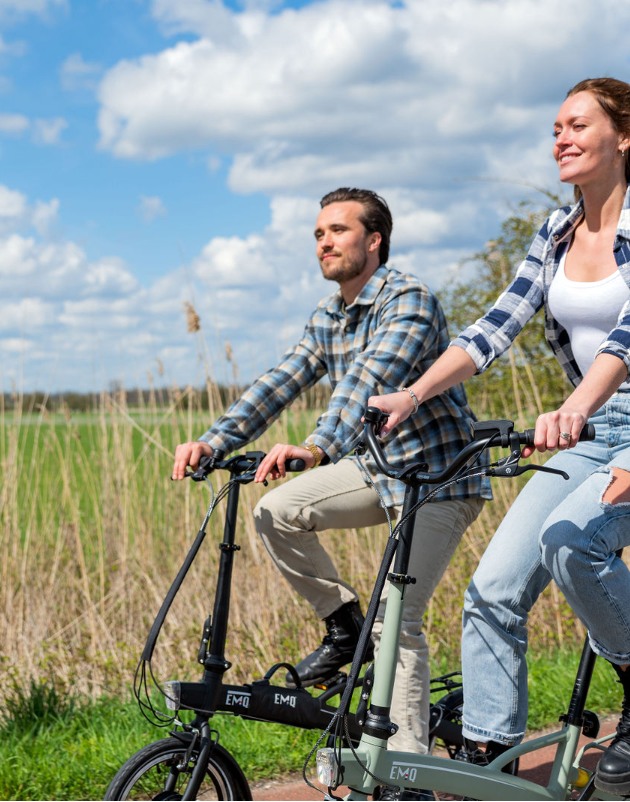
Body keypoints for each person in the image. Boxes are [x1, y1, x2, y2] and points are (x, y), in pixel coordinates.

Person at [368, 78, 630, 793]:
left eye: (577, 123)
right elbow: (494, 326)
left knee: (574, 538)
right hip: (596, 431)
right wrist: (414, 392)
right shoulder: (553, 232)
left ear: (625, 135)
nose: (561, 137)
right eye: (554, 127)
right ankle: (491, 771)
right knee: (491, 589)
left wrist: (575, 404)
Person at [172, 187, 491, 755]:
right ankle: (346, 628)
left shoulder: (408, 299)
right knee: (279, 510)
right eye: (319, 234)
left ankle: (407, 770)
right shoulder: (329, 315)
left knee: (400, 620)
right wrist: (214, 441)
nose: (325, 242)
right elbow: (283, 378)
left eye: (339, 231)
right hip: (377, 470)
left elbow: (368, 381)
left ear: (374, 240)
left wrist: (317, 446)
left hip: (439, 477)